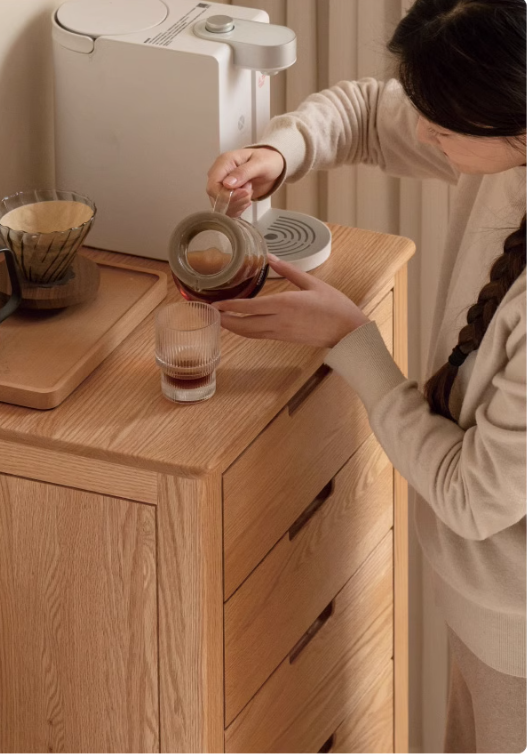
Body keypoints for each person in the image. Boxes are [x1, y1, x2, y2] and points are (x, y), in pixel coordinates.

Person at [206, 0, 526, 751]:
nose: (422, 134)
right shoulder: (505, 141)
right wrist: (279, 151)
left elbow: (474, 497)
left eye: (441, 127)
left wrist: (351, 339)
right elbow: (366, 112)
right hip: (487, 614)